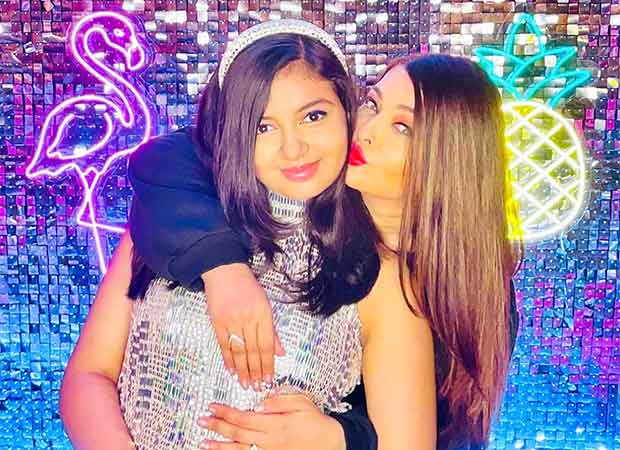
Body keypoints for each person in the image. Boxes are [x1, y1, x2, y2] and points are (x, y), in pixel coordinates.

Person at [59, 20, 437, 450]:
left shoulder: (383, 277)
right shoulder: (169, 214)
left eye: (313, 116)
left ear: (345, 110)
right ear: (235, 134)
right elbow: (89, 375)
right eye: (263, 127)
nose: (293, 148)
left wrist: (332, 440)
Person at [127, 51, 522, 450]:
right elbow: (171, 156)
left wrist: (341, 436)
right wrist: (222, 267)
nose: (366, 131)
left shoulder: (473, 298)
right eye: (372, 104)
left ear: (450, 159)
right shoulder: (309, 210)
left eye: (402, 126)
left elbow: (449, 433)